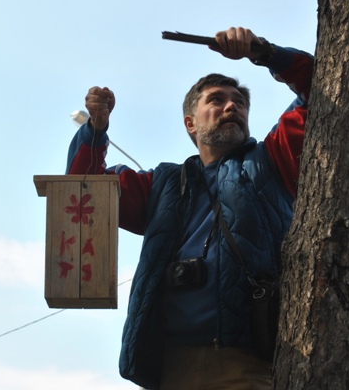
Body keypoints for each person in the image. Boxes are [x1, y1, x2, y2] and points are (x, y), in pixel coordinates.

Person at [66, 27, 314, 390]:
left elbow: (320, 86)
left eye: (239, 102)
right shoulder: (164, 185)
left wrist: (263, 51)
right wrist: (95, 130)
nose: (231, 107)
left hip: (249, 364)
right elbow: (82, 192)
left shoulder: (273, 161)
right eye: (216, 100)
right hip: (171, 367)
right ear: (190, 124)